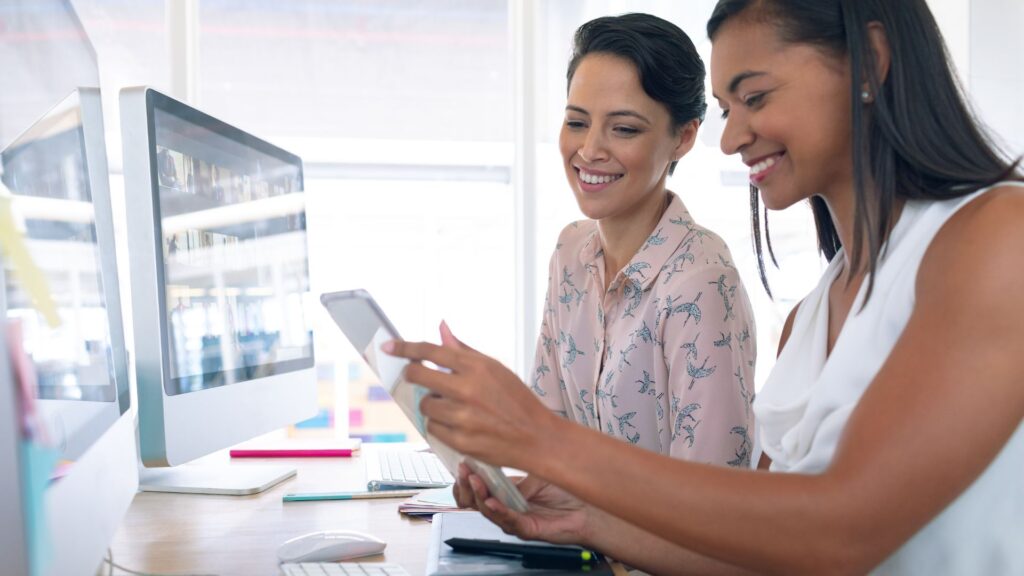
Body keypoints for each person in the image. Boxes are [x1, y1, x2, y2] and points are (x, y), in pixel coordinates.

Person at [383, 1, 1024, 574]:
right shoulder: (812, 316)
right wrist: (578, 523)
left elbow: (844, 531)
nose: (732, 137)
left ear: (868, 64)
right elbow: (761, 552)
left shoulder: (998, 235)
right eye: (726, 108)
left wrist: (541, 440)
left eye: (756, 97)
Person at [525, 13, 757, 465]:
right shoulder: (570, 252)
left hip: (649, 538)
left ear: (684, 137)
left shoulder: (703, 282)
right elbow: (546, 440)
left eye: (624, 128)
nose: (589, 150)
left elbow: (712, 500)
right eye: (577, 122)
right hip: (570, 535)